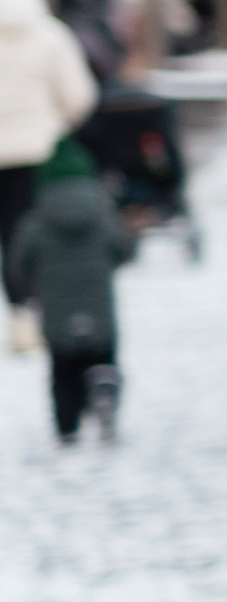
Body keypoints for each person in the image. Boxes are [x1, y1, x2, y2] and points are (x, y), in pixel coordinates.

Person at [0, 0, 99, 354]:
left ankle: (19, 317)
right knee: (43, 235)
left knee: (8, 237)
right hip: (43, 153)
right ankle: (44, 308)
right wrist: (58, 126)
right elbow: (79, 96)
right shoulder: (50, 34)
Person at [11, 137, 132, 443]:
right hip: (98, 305)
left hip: (56, 311)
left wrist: (25, 290)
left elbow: (18, 263)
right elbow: (123, 250)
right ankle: (103, 390)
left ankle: (67, 427)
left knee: (62, 372)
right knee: (102, 357)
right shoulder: (104, 214)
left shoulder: (35, 221)